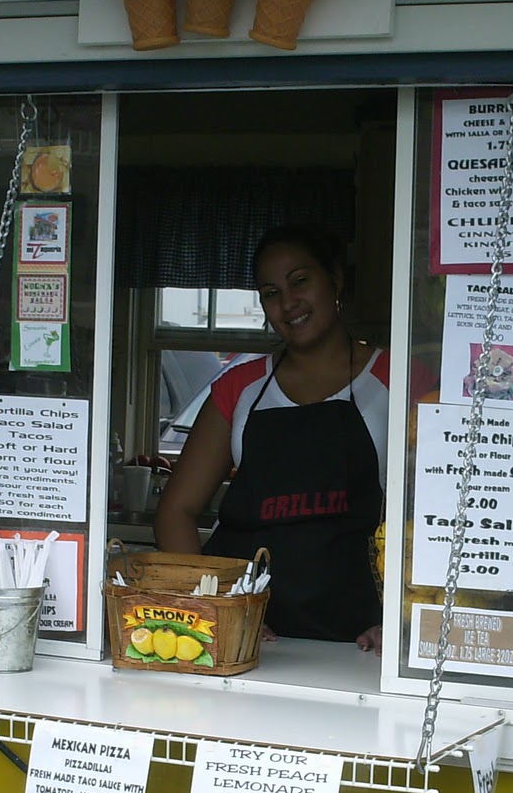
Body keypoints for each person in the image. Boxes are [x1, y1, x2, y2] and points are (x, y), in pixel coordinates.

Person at [155, 224, 388, 653]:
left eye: (300, 281)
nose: (288, 303)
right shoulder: (238, 388)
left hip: (359, 644)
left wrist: (402, 622)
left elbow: (437, 525)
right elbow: (175, 512)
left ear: (335, 279)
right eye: (270, 292)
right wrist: (216, 608)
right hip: (250, 643)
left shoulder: (397, 380)